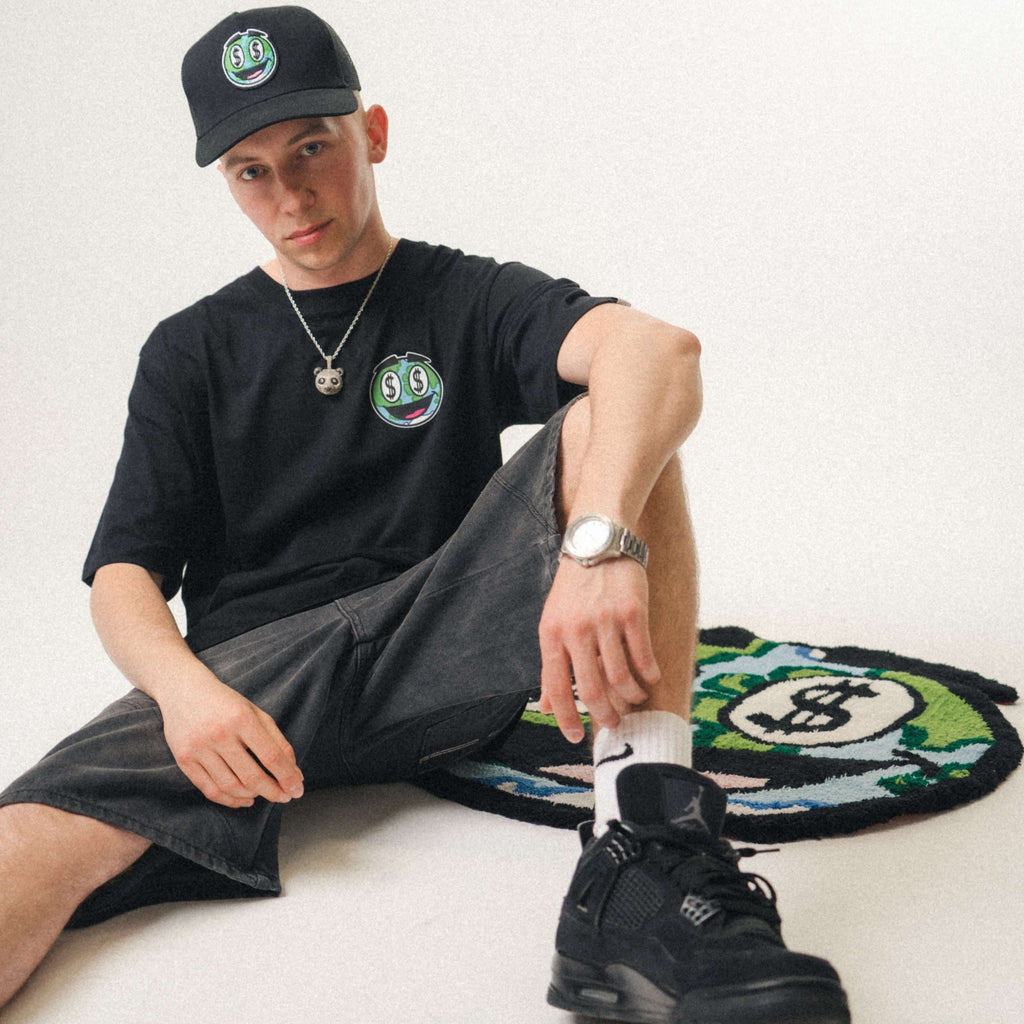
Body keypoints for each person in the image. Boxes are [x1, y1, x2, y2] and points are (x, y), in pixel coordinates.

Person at [0, 7, 849, 1021]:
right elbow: (123, 575)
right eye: (252, 170)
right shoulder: (190, 350)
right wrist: (186, 695)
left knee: (618, 410)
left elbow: (659, 352)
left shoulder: (465, 297)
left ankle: (641, 852)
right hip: (254, 694)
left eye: (311, 146)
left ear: (375, 133)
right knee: (25, 852)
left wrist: (597, 545)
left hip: (438, 650)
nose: (290, 192)